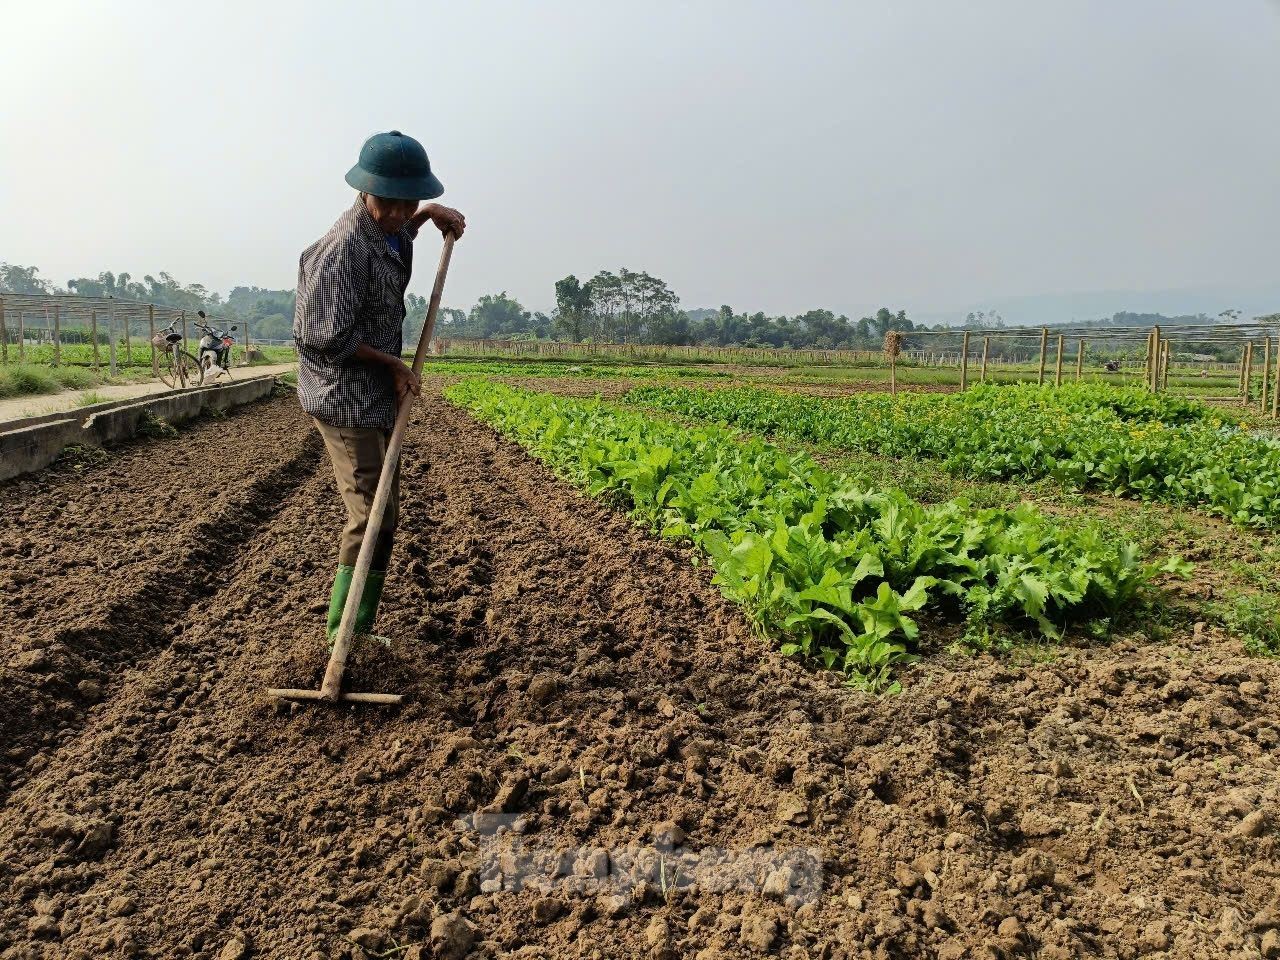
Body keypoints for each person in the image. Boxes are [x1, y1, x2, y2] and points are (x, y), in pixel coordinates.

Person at [293, 130, 465, 645]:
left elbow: (395, 236)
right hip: (343, 395)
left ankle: (357, 629)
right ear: (365, 191)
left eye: (406, 202)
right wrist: (393, 364)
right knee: (370, 515)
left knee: (384, 512)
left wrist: (428, 215)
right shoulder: (340, 251)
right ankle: (341, 636)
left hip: (374, 394)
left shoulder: (386, 230)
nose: (396, 213)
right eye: (388, 202)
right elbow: (323, 338)